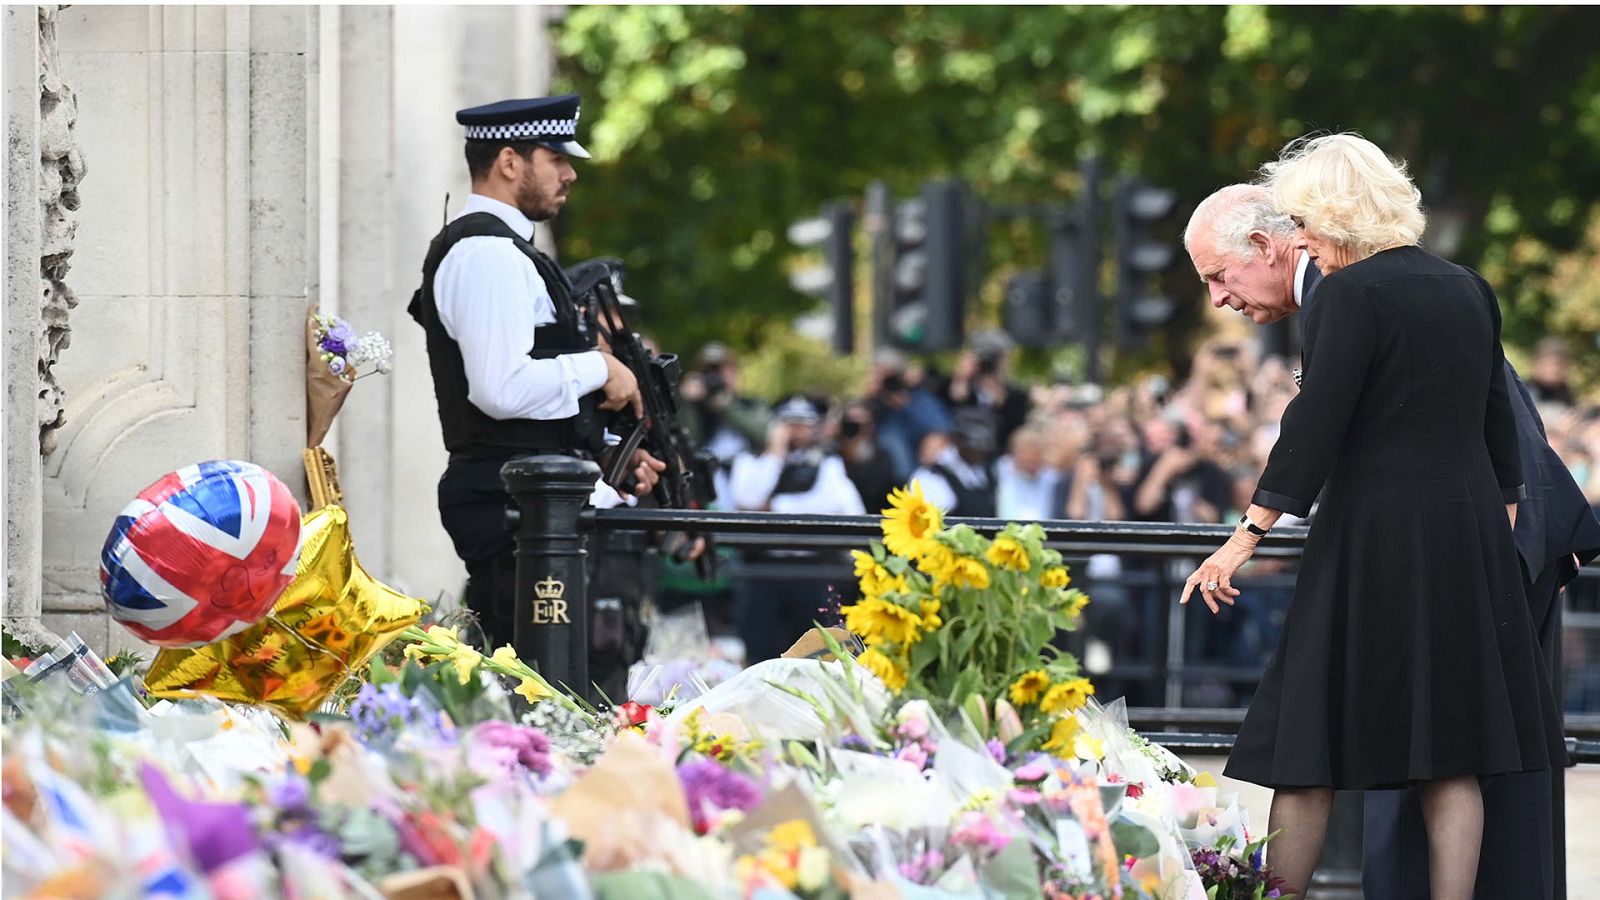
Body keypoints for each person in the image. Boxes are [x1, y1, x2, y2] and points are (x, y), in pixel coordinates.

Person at [1185, 179, 1600, 899]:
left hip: (1371, 543)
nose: (1221, 298)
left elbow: (1314, 427)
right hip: (1465, 547)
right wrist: (1487, 540)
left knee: (1305, 747)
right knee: (1452, 755)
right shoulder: (1467, 286)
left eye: (1219, 277)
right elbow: (1502, 428)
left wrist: (1243, 537)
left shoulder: (1346, 296)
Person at [408, 94, 664, 651]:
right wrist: (598, 366)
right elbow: (500, 390)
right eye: (556, 158)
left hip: (531, 506)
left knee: (565, 693)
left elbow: (534, 396)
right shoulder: (487, 254)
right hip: (514, 511)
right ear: (509, 162)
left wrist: (610, 453)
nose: (570, 173)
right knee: (542, 694)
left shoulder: (506, 252)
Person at [727, 396, 865, 663]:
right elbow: (746, 499)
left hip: (812, 569)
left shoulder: (827, 462)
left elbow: (835, 506)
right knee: (761, 654)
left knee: (817, 655)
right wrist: (774, 454)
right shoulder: (751, 459)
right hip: (762, 569)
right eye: (789, 423)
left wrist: (773, 505)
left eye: (804, 424)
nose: (796, 431)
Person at [911, 408, 999, 517]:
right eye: (974, 447)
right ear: (956, 440)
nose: (980, 453)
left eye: (983, 449)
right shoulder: (931, 475)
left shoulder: (987, 472)